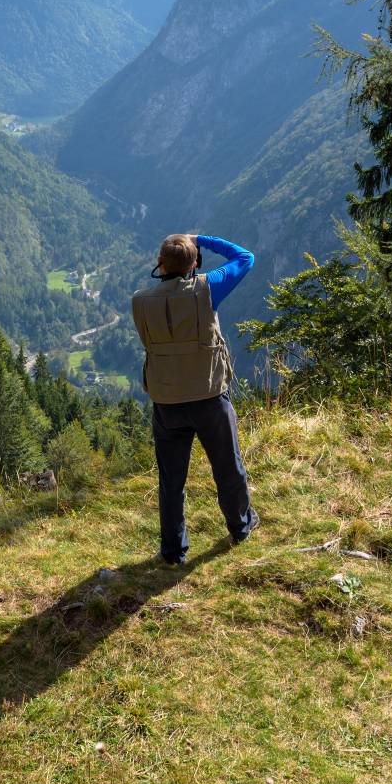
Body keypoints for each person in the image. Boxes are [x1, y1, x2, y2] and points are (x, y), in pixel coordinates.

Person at [129, 232, 259, 564]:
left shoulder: (140, 301)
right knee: (228, 467)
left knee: (171, 480)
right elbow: (245, 257)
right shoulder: (208, 289)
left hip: (166, 401)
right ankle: (241, 527)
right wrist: (200, 238)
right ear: (196, 263)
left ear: (160, 263)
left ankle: (173, 551)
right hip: (210, 395)